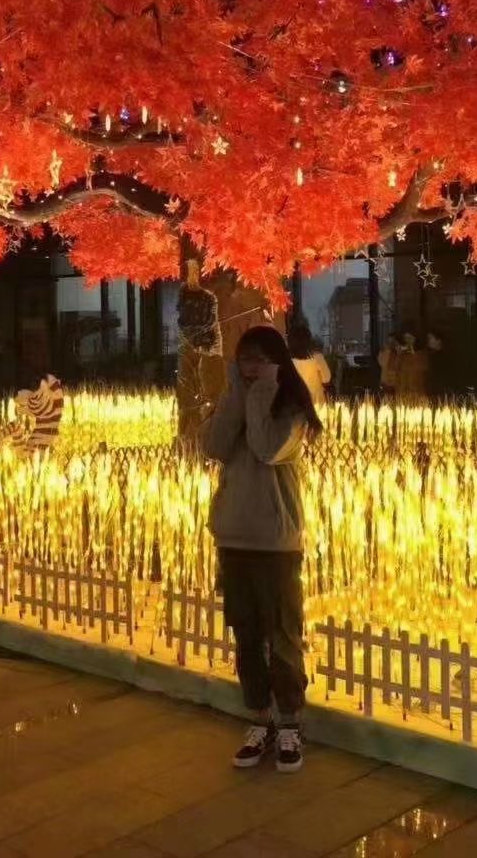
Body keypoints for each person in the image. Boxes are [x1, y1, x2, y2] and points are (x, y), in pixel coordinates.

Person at [200, 325, 322, 774]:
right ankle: (260, 717)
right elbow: (214, 445)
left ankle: (290, 720)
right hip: (233, 535)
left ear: (275, 362)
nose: (249, 367)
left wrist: (263, 390)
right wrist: (235, 393)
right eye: (243, 360)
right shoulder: (236, 397)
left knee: (283, 635)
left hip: (275, 540)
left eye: (258, 359)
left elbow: (267, 448)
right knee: (246, 635)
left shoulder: (291, 410)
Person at [286, 322, 332, 405]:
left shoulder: (286, 361)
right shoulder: (317, 357)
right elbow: (327, 379)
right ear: (308, 340)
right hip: (317, 403)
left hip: (296, 404)